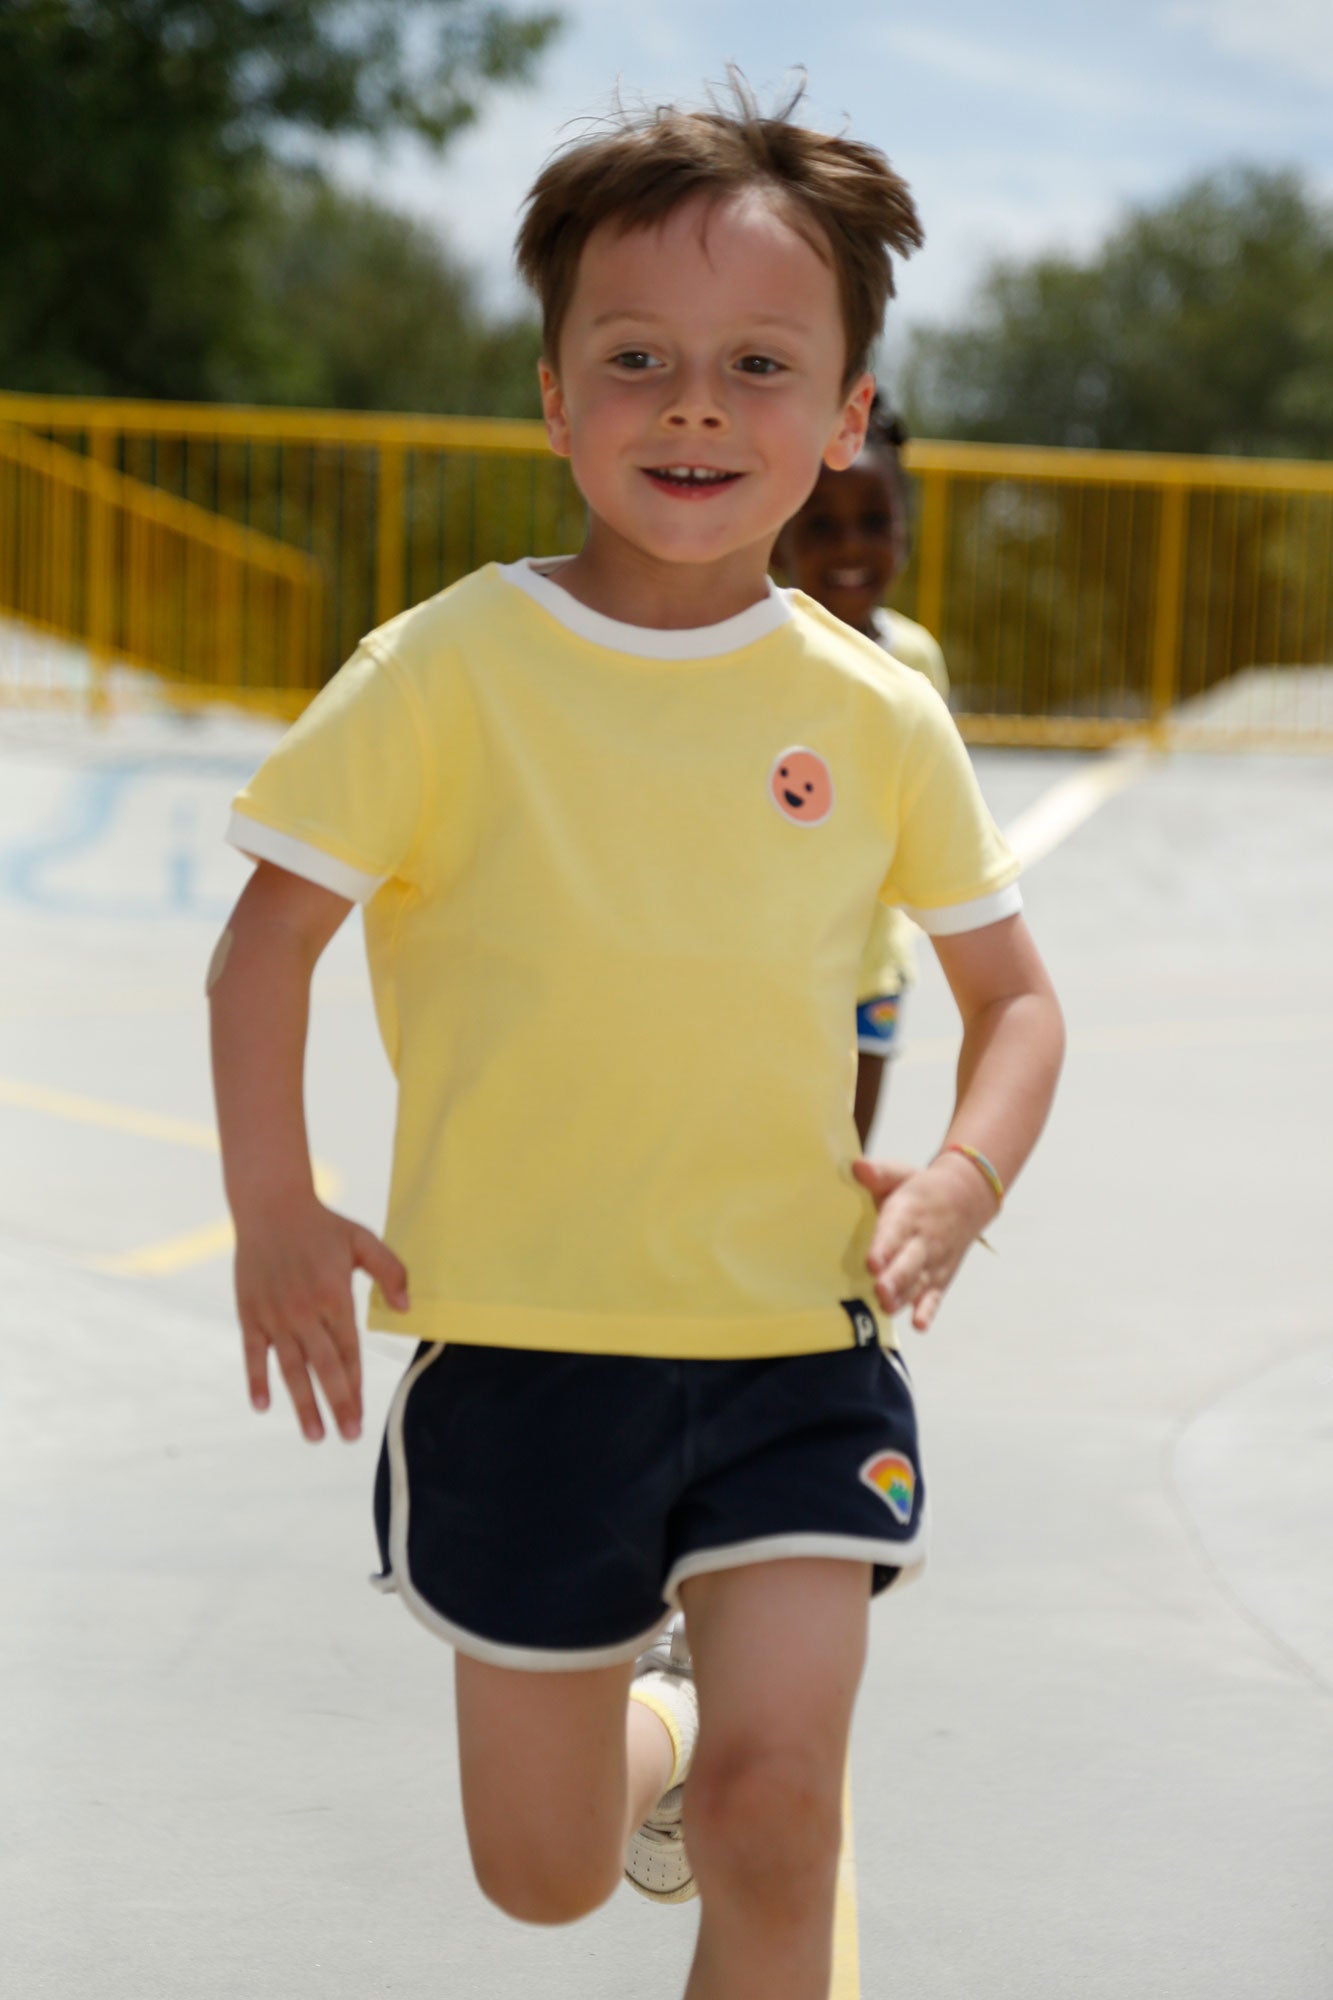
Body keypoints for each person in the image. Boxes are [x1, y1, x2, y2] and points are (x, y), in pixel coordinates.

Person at [208, 78, 1064, 2000]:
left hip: (791, 1343)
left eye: (759, 363)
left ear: (843, 417)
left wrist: (957, 1170)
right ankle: (643, 1744)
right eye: (638, 358)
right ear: (551, 396)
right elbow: (262, 953)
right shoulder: (438, 674)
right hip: (524, 1353)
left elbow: (1014, 1003)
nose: (694, 405)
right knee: (543, 1877)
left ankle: (714, 1756)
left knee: (785, 1820)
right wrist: (278, 1207)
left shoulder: (874, 713)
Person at [774, 396, 950, 1146]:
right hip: (759, 967)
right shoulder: (750, 655)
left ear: (905, 533)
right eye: (820, 525)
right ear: (777, 538)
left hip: (868, 972)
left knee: (839, 1171)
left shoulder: (912, 663)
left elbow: (929, 815)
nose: (850, 546)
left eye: (875, 522)